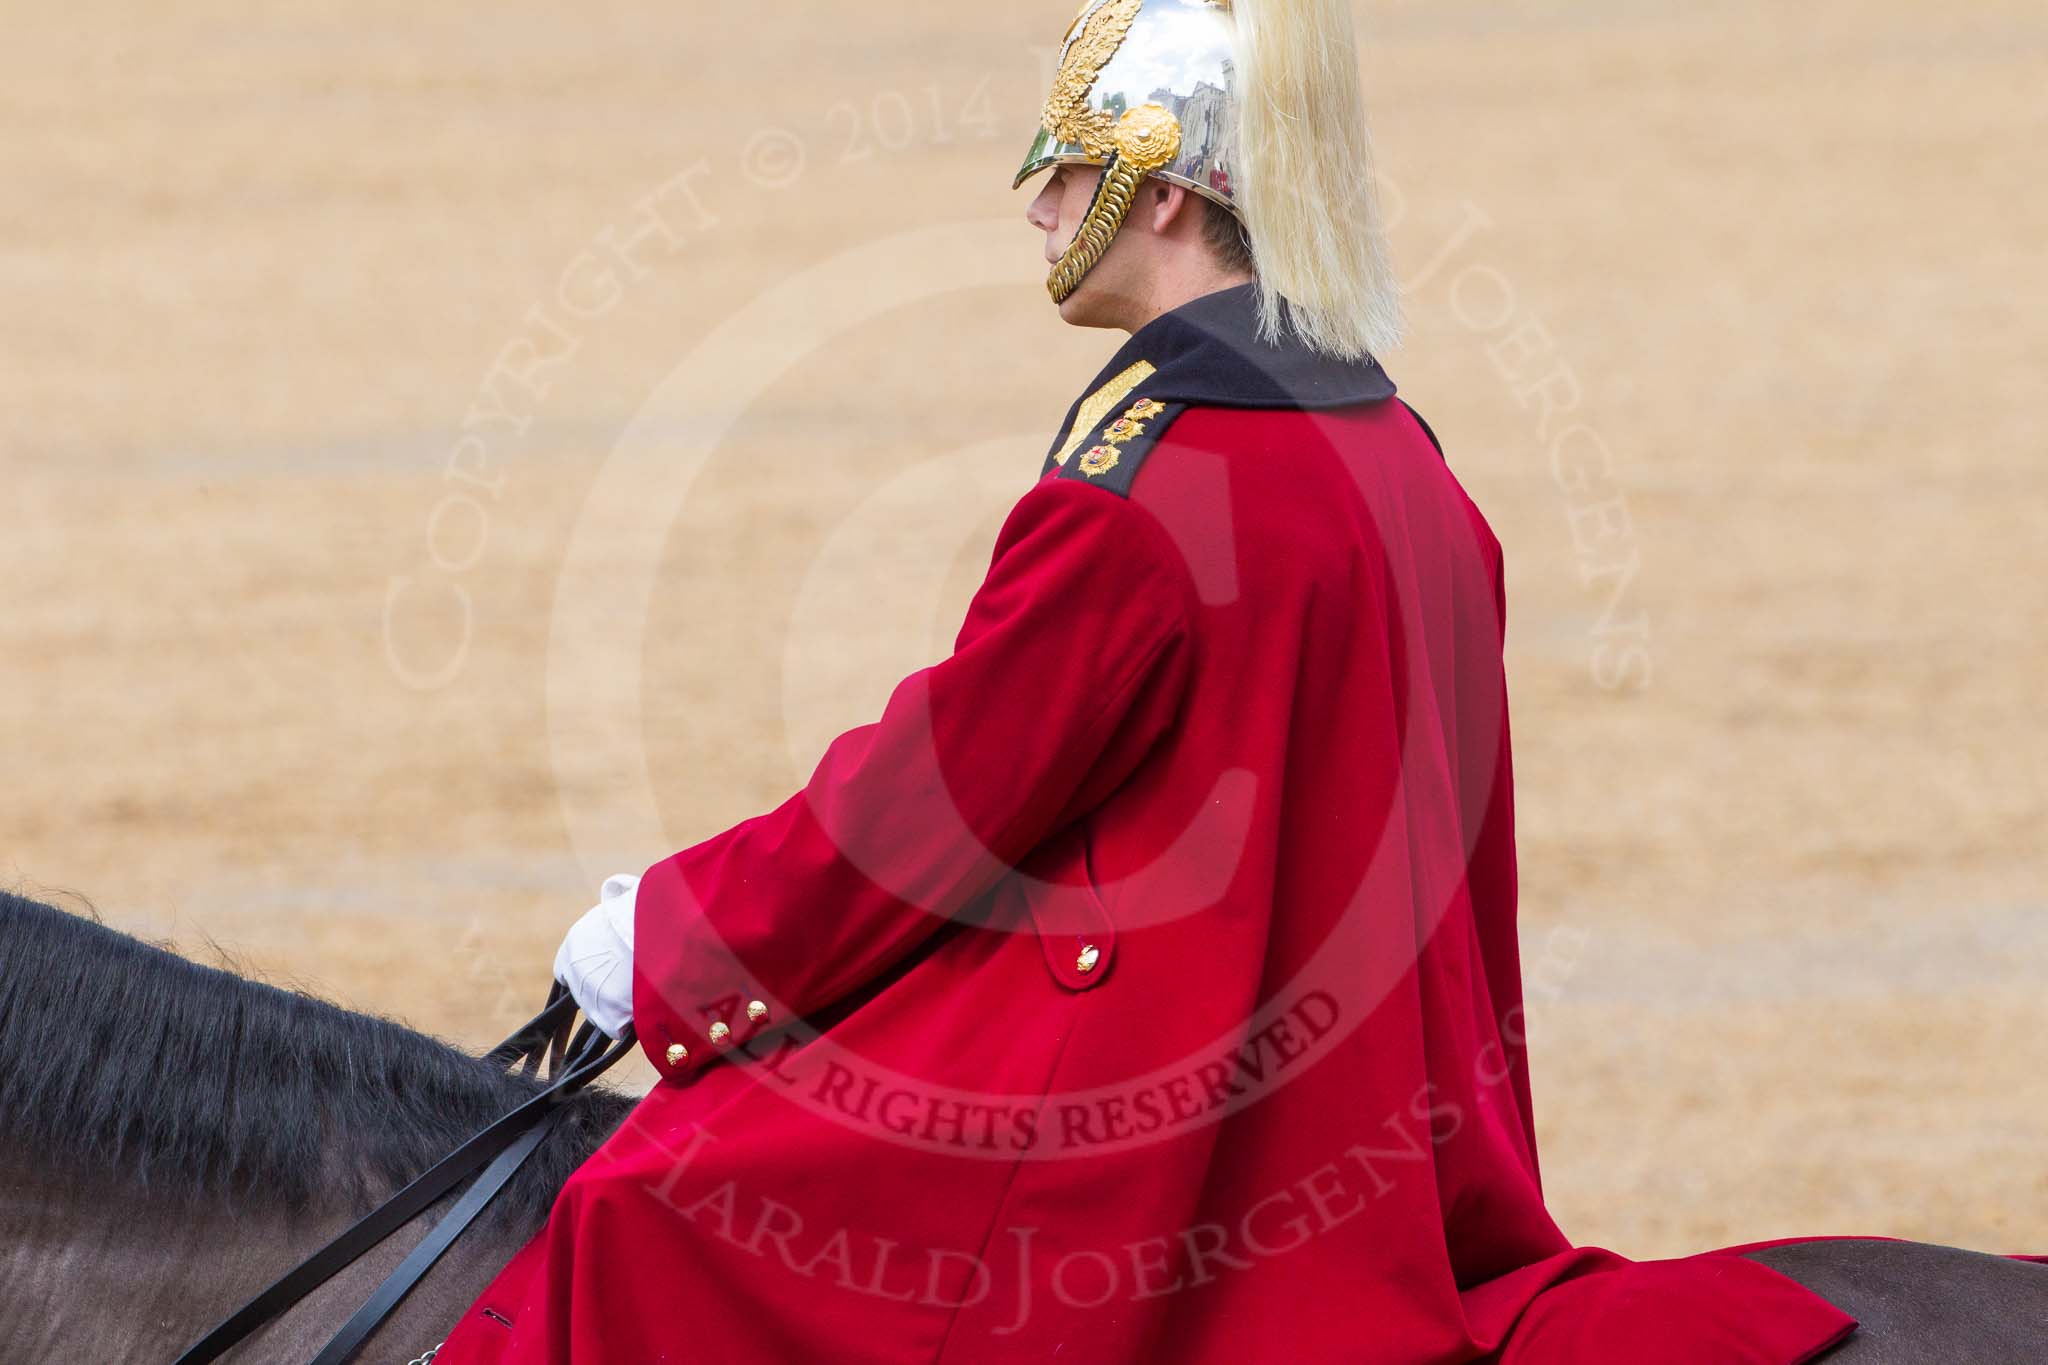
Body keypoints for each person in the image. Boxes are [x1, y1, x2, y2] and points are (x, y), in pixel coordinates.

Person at [435, 1, 1858, 1360]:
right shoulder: (1414, 467)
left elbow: (934, 805)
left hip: (1162, 1149)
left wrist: (674, 942)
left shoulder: (1146, 492)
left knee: (640, 1206)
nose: (1042, 212)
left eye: (1065, 176)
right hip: (1382, 1155)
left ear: (1165, 195)